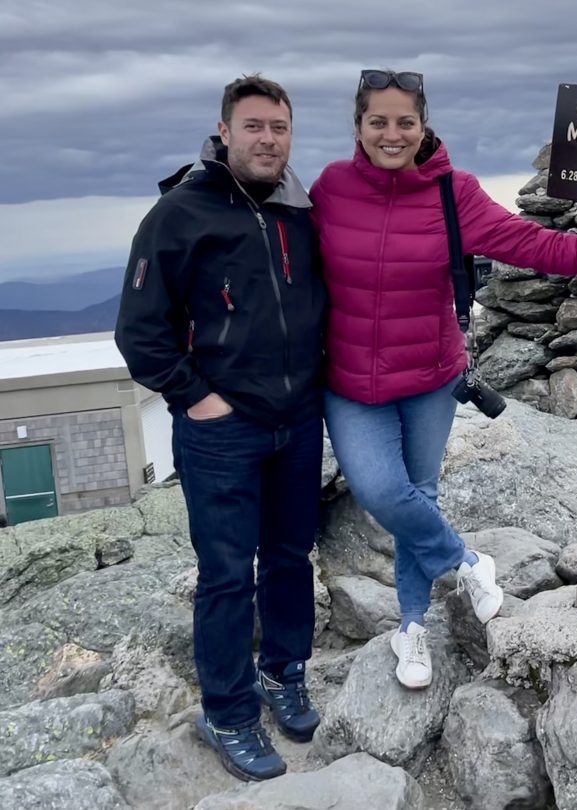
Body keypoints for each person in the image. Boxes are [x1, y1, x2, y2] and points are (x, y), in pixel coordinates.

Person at [309, 69, 577, 690]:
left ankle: (411, 627)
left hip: (429, 376)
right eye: (378, 121)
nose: (392, 133)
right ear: (358, 128)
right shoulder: (332, 189)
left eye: (405, 121)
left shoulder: (454, 193)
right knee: (382, 492)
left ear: (423, 126)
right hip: (350, 381)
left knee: (417, 499)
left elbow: (529, 243)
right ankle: (466, 561)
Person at [115, 75, 326, 782]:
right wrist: (194, 398)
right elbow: (140, 332)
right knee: (229, 575)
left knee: (292, 556)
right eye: (256, 126)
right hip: (221, 430)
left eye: (280, 128)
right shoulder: (180, 213)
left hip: (297, 419)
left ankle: (284, 672)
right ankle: (228, 710)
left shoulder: (301, 211)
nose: (269, 139)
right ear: (225, 131)